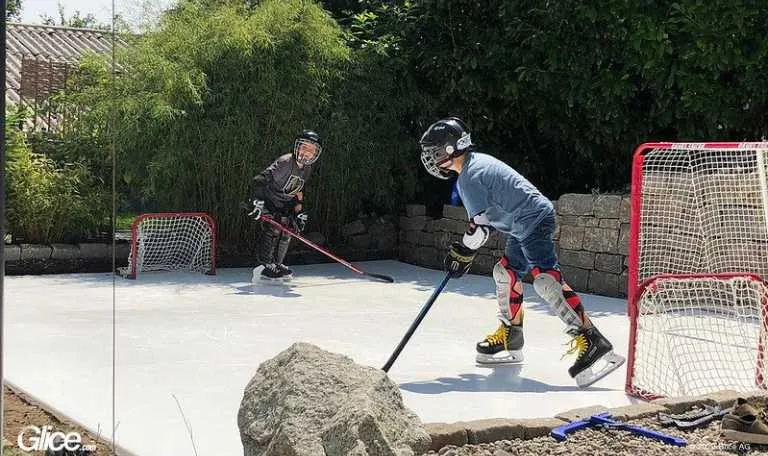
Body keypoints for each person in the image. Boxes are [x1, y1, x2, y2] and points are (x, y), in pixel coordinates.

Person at [418, 117, 625, 388]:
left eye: (433, 151)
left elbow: (479, 231)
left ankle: (594, 341)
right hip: (522, 224)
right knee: (506, 272)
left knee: (546, 281)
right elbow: (484, 225)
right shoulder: (473, 165)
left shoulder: (469, 178)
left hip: (533, 220)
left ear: (448, 150)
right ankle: (511, 337)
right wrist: (465, 253)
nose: (430, 159)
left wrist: (462, 254)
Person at [249, 130, 321, 281]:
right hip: (268, 199)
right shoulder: (286, 162)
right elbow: (261, 179)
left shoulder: (307, 169)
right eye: (304, 148)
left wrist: (299, 211)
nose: (306, 153)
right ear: (297, 146)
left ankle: (277, 264)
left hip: (283, 203)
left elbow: (298, 190)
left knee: (288, 230)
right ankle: (263, 266)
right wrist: (256, 201)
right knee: (273, 228)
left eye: (311, 150)